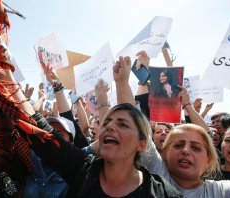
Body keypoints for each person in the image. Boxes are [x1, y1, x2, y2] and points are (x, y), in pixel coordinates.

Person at [16, 56, 182, 197]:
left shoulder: (162, 193)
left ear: (142, 144)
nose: (109, 127)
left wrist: (121, 83)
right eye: (107, 122)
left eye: (122, 124)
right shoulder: (83, 170)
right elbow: (36, 125)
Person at [140, 88, 230, 197]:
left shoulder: (223, 191)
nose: (186, 150)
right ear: (165, 152)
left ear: (209, 159)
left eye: (196, 148)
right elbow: (137, 128)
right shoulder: (156, 175)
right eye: (178, 145)